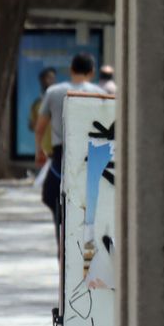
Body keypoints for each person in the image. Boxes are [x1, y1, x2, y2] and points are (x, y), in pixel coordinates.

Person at [33, 53, 106, 242]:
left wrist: (39, 151)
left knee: (52, 196)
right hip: (91, 155)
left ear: (71, 70)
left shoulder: (54, 92)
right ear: (92, 72)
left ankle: (63, 238)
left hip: (62, 156)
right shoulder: (100, 94)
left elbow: (40, 127)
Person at [28, 67, 58, 166]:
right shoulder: (36, 104)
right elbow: (32, 126)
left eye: (53, 78)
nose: (52, 81)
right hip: (44, 152)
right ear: (42, 81)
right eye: (49, 78)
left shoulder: (61, 101)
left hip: (59, 149)